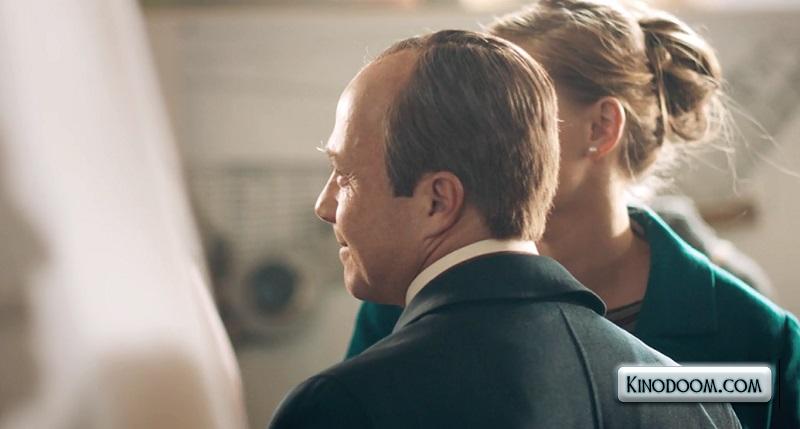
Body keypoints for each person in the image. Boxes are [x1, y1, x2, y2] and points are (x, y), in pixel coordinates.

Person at [345, 2, 800, 428]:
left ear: (601, 128)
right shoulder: (404, 293)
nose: (466, 138)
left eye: (511, 108)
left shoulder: (760, 338)